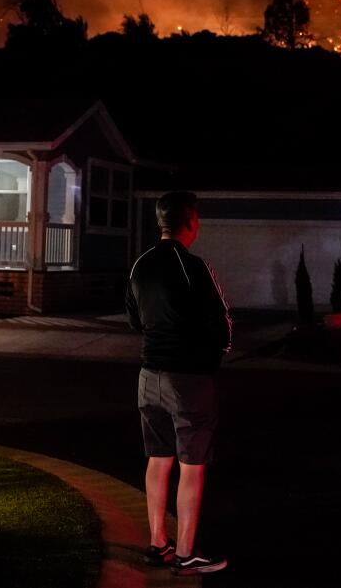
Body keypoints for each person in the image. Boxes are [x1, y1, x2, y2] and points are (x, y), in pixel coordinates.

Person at [126, 191, 232, 576]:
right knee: (193, 465)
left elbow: (134, 319)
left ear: (160, 222)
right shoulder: (194, 266)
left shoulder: (140, 265)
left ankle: (158, 543)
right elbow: (222, 327)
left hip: (148, 375)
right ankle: (186, 553)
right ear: (191, 223)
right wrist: (210, 357)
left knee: (157, 459)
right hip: (187, 378)